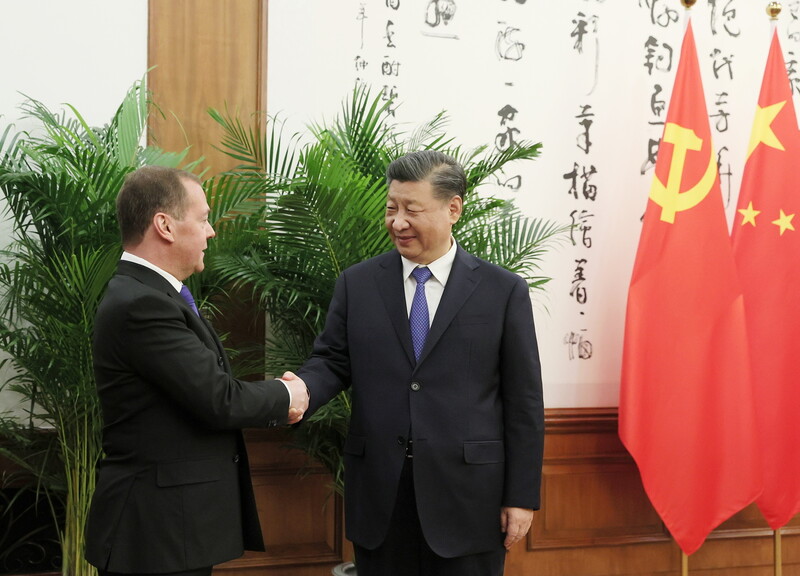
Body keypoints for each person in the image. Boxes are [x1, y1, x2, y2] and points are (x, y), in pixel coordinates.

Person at [287, 150, 544, 576]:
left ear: (453, 208)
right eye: (391, 208)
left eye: (412, 210)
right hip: (381, 496)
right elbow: (331, 361)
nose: (397, 222)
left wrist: (521, 496)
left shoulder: (503, 291)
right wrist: (299, 390)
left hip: (469, 499)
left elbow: (524, 401)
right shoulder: (359, 283)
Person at [85, 166, 308, 576]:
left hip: (170, 531)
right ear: (165, 225)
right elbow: (218, 399)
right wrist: (287, 394)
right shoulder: (142, 304)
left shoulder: (152, 295)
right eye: (204, 218)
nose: (211, 232)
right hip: (155, 534)